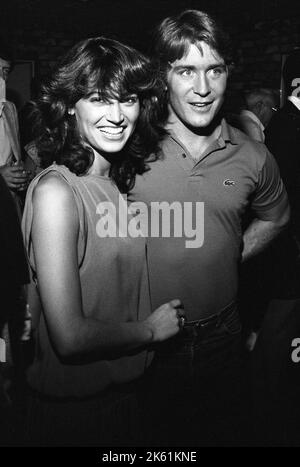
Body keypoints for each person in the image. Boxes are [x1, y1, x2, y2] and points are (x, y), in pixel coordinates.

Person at [129, 9, 290, 446]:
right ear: (163, 77)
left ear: (227, 74)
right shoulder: (128, 147)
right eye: (186, 71)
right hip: (144, 342)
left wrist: (226, 250)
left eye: (213, 70)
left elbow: (278, 217)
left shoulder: (254, 155)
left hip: (225, 337)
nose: (202, 89)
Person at [21, 36, 185, 447]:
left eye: (127, 99)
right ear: (70, 106)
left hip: (125, 401)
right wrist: (150, 331)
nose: (116, 115)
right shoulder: (58, 192)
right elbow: (70, 337)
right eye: (99, 99)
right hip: (76, 416)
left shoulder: (112, 184)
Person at [0, 42, 33, 215]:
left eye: (4, 71)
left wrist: (20, 178)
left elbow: (13, 156)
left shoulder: (10, 108)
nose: (0, 77)